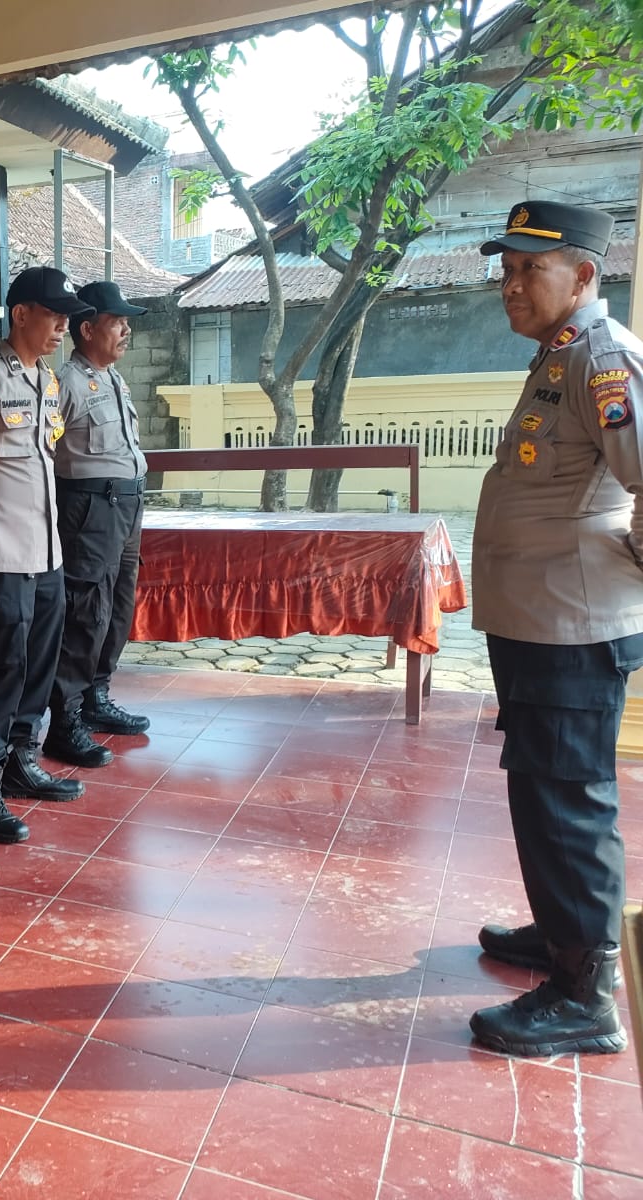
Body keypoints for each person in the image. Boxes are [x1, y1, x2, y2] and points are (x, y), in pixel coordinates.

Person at [468, 200, 643, 1060]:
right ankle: (563, 929)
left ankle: (585, 995)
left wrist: (629, 569)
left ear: (583, 275)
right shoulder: (562, 354)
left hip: (572, 624)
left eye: (528, 269)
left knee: (568, 799)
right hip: (541, 620)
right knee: (543, 787)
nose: (510, 285)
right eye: (504, 271)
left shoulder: (602, 357)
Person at [0, 266, 92, 840]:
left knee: (39, 666)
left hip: (46, 554)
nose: (62, 327)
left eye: (66, 319)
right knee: (1, 672)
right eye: (53, 316)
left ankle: (20, 761)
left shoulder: (46, 381)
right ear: (21, 314)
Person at [45, 280, 155, 768]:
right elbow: (42, 452)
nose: (126, 331)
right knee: (85, 611)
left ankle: (96, 697)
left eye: (127, 322)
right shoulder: (65, 384)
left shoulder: (114, 379)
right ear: (87, 329)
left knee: (117, 605)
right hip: (89, 508)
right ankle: (65, 719)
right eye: (117, 322)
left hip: (126, 506)